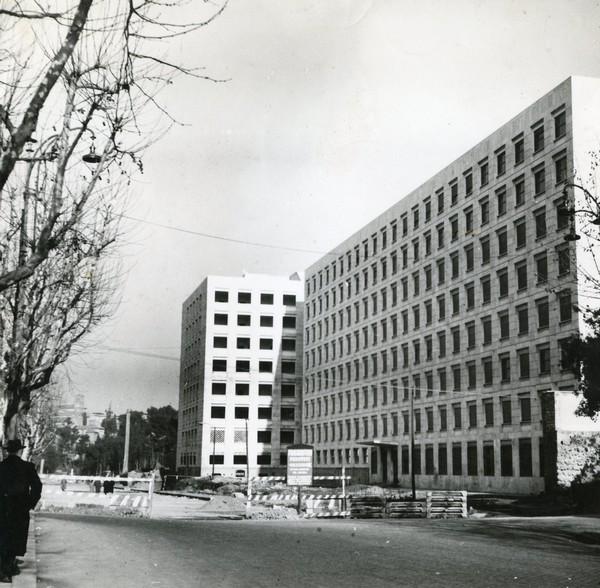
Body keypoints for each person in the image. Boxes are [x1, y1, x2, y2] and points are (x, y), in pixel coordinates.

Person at [0, 439, 42, 583]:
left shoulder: (1, 467)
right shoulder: (28, 467)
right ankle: (6, 570)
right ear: (19, 450)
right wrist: (30, 503)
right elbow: (37, 487)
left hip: (2, 507)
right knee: (15, 537)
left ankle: (5, 569)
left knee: (3, 536)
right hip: (19, 509)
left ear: (7, 451)